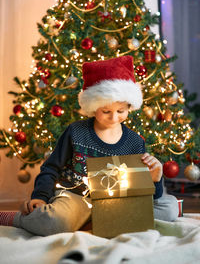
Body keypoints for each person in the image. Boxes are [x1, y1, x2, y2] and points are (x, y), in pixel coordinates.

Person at [0, 55, 179, 235]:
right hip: (77, 198)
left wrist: (155, 179)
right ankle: (21, 219)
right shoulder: (76, 132)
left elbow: (148, 196)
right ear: (93, 107)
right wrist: (40, 197)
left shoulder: (135, 142)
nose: (114, 117)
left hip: (119, 202)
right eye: (106, 111)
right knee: (52, 222)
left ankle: (94, 223)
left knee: (169, 208)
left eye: (121, 111)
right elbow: (51, 168)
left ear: (129, 107)